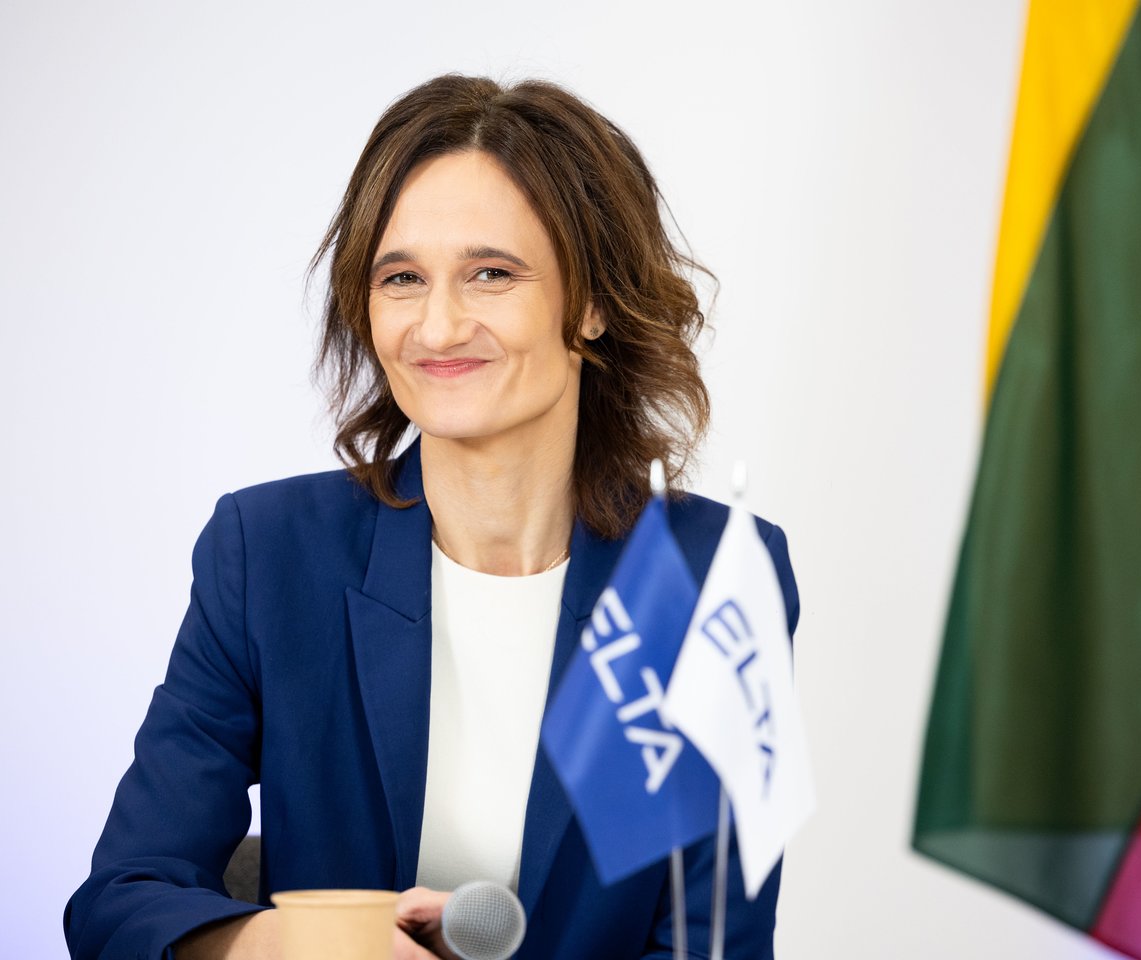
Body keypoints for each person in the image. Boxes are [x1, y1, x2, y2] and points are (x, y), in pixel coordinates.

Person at [64, 74, 799, 960]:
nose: (439, 327)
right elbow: (121, 901)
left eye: (491, 274)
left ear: (593, 302)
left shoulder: (707, 575)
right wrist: (298, 945)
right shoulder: (268, 555)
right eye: (403, 278)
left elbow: (712, 942)